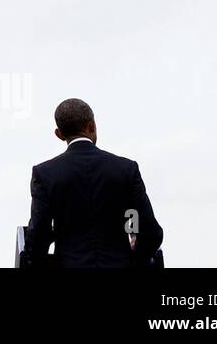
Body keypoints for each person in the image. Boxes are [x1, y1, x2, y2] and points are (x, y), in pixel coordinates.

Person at [24, 97, 163, 268]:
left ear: (59, 134)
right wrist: (135, 259)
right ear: (92, 125)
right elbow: (150, 231)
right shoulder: (126, 169)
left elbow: (38, 236)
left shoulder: (45, 174)